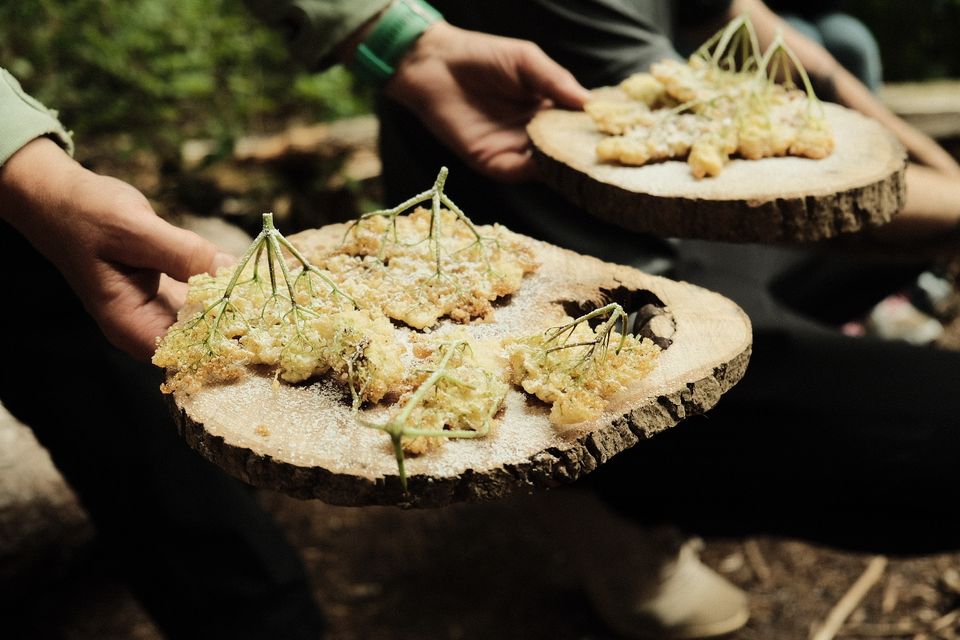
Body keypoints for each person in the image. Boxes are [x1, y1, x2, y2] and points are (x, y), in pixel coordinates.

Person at [249, 0, 960, 636]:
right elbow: (727, 171)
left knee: (845, 48)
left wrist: (929, 164)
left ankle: (804, 373)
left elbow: (725, 14)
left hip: (698, 241)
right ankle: (600, 498)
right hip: (599, 289)